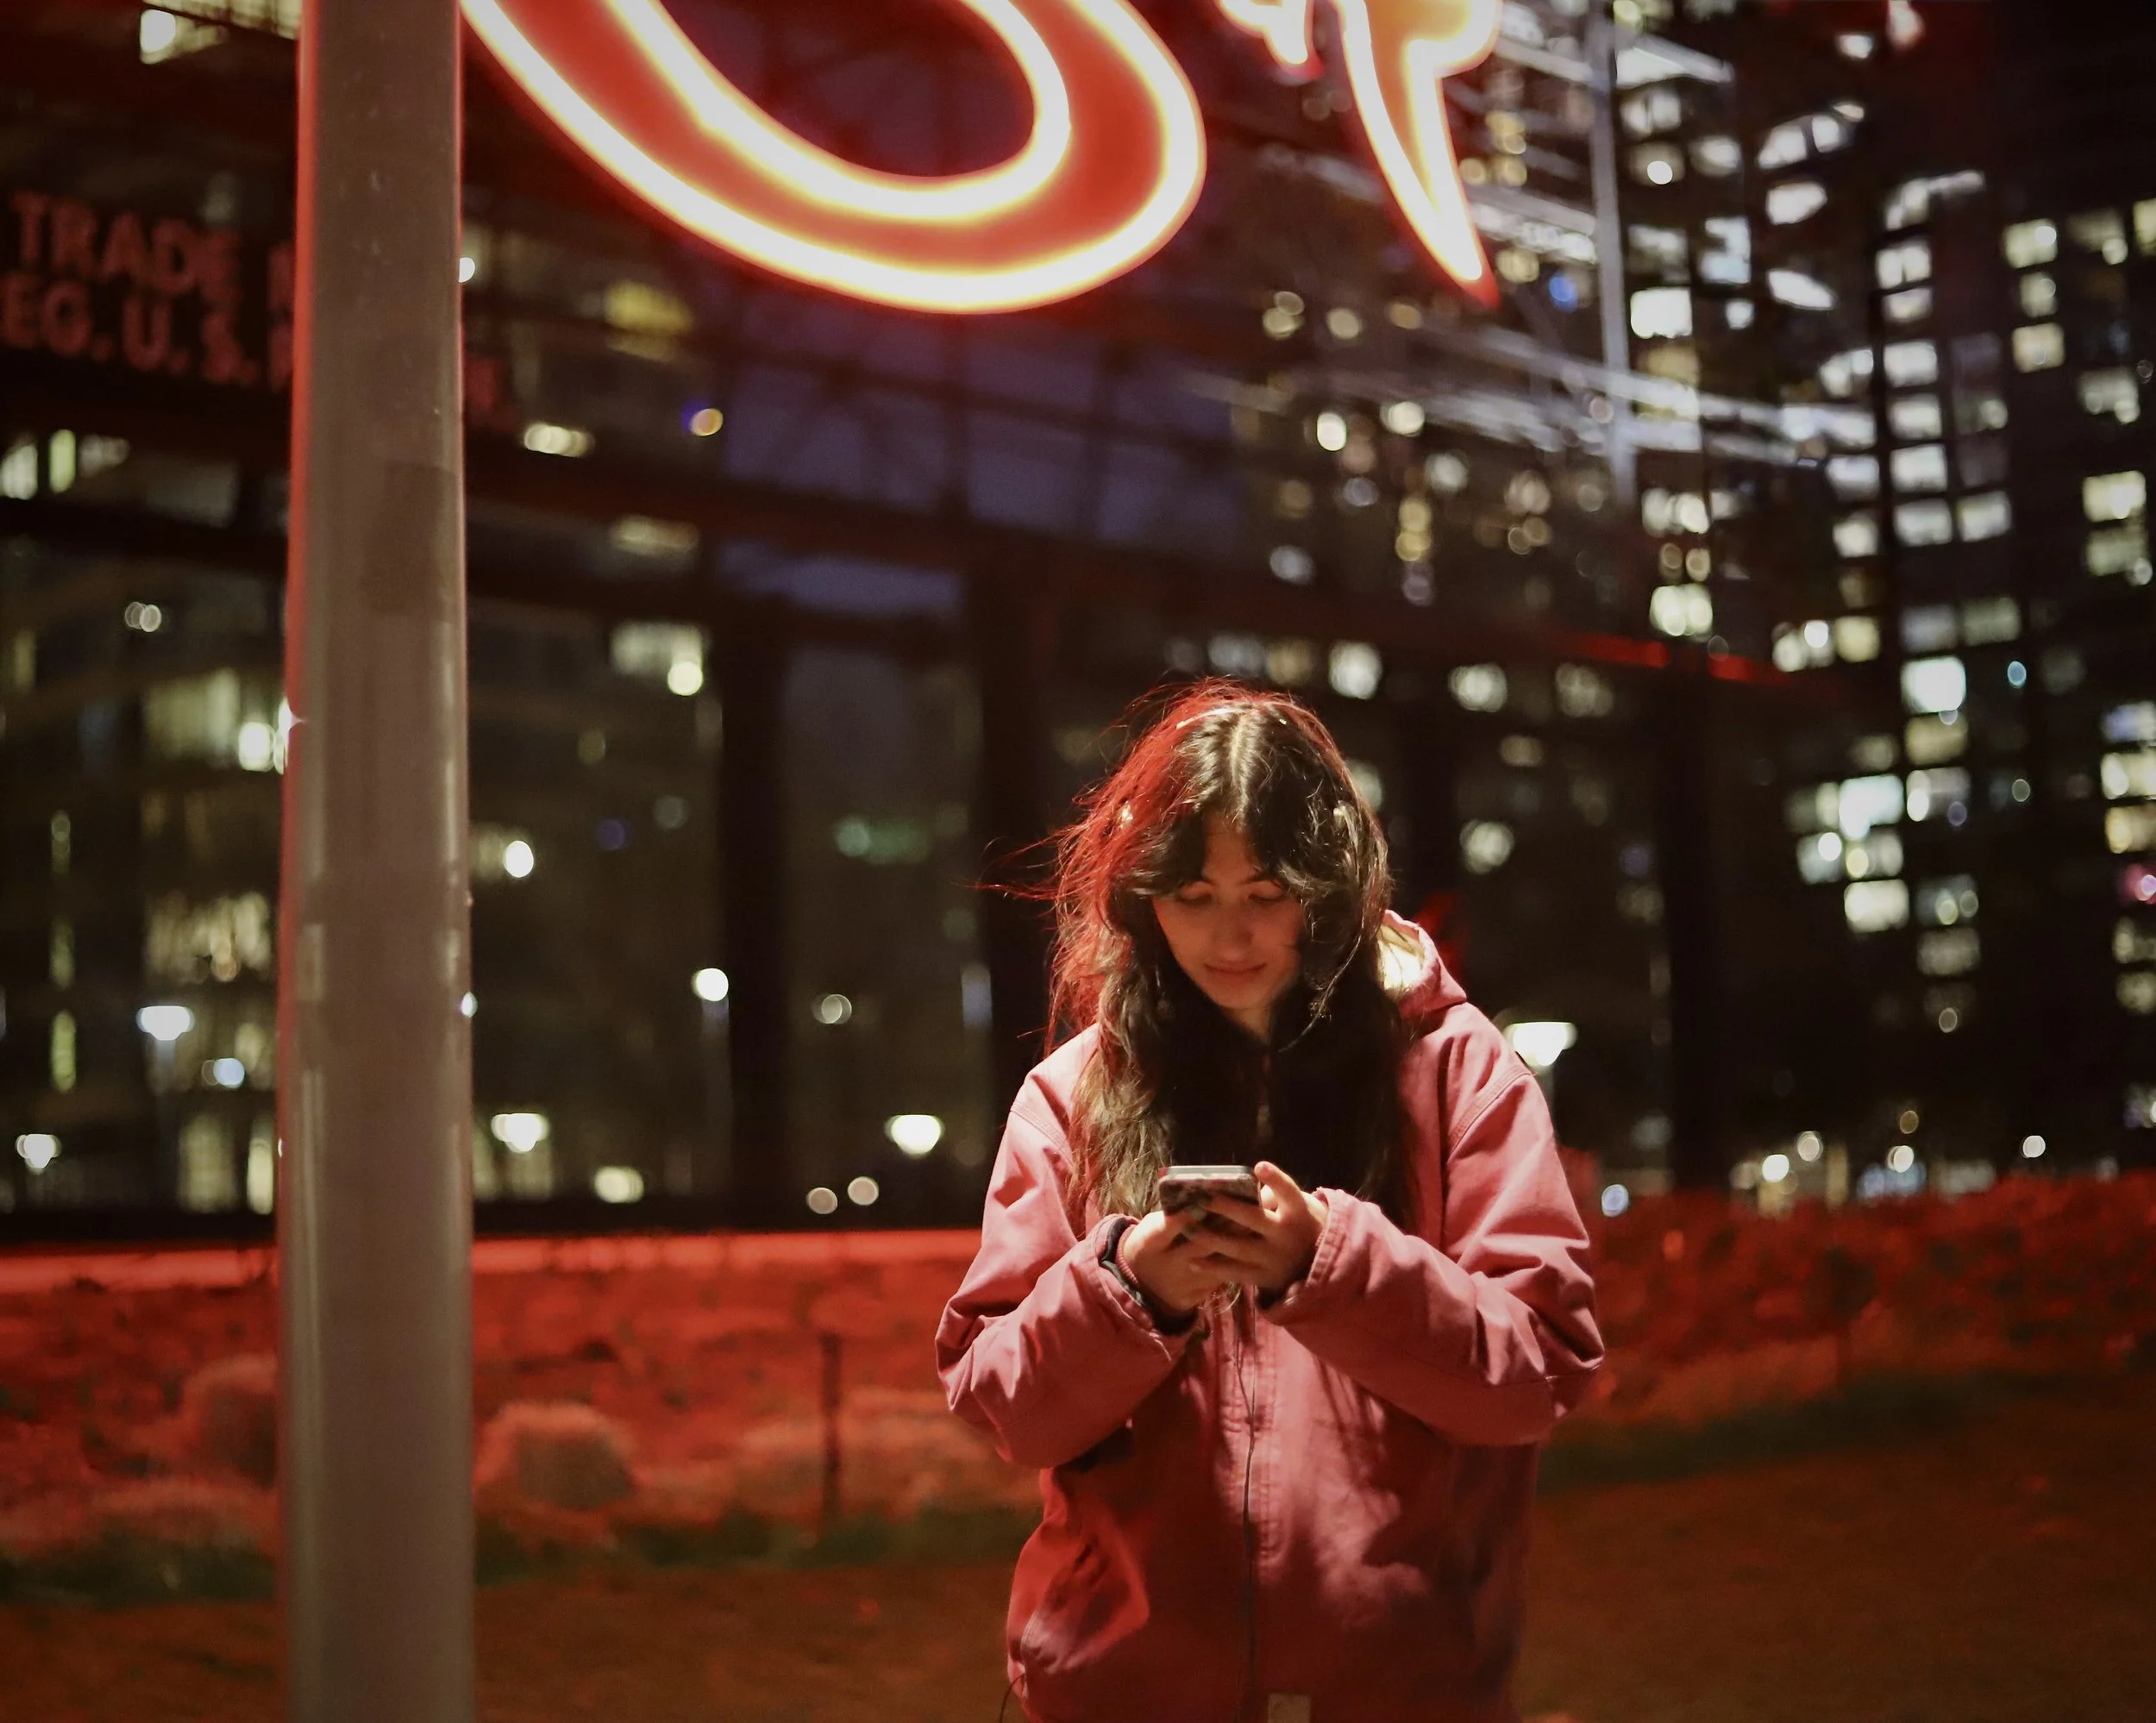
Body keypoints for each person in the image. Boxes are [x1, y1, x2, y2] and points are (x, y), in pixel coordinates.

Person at [937, 681, 1603, 1723]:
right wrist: (1128, 1290)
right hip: (1121, 1694)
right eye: (1193, 895)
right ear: (1142, 895)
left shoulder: (1454, 1071)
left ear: (1328, 883)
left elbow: (1535, 1378)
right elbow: (1007, 1407)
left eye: (1266, 891)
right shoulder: (1074, 1095)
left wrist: (1331, 1267)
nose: (1230, 935)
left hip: (1396, 1691)